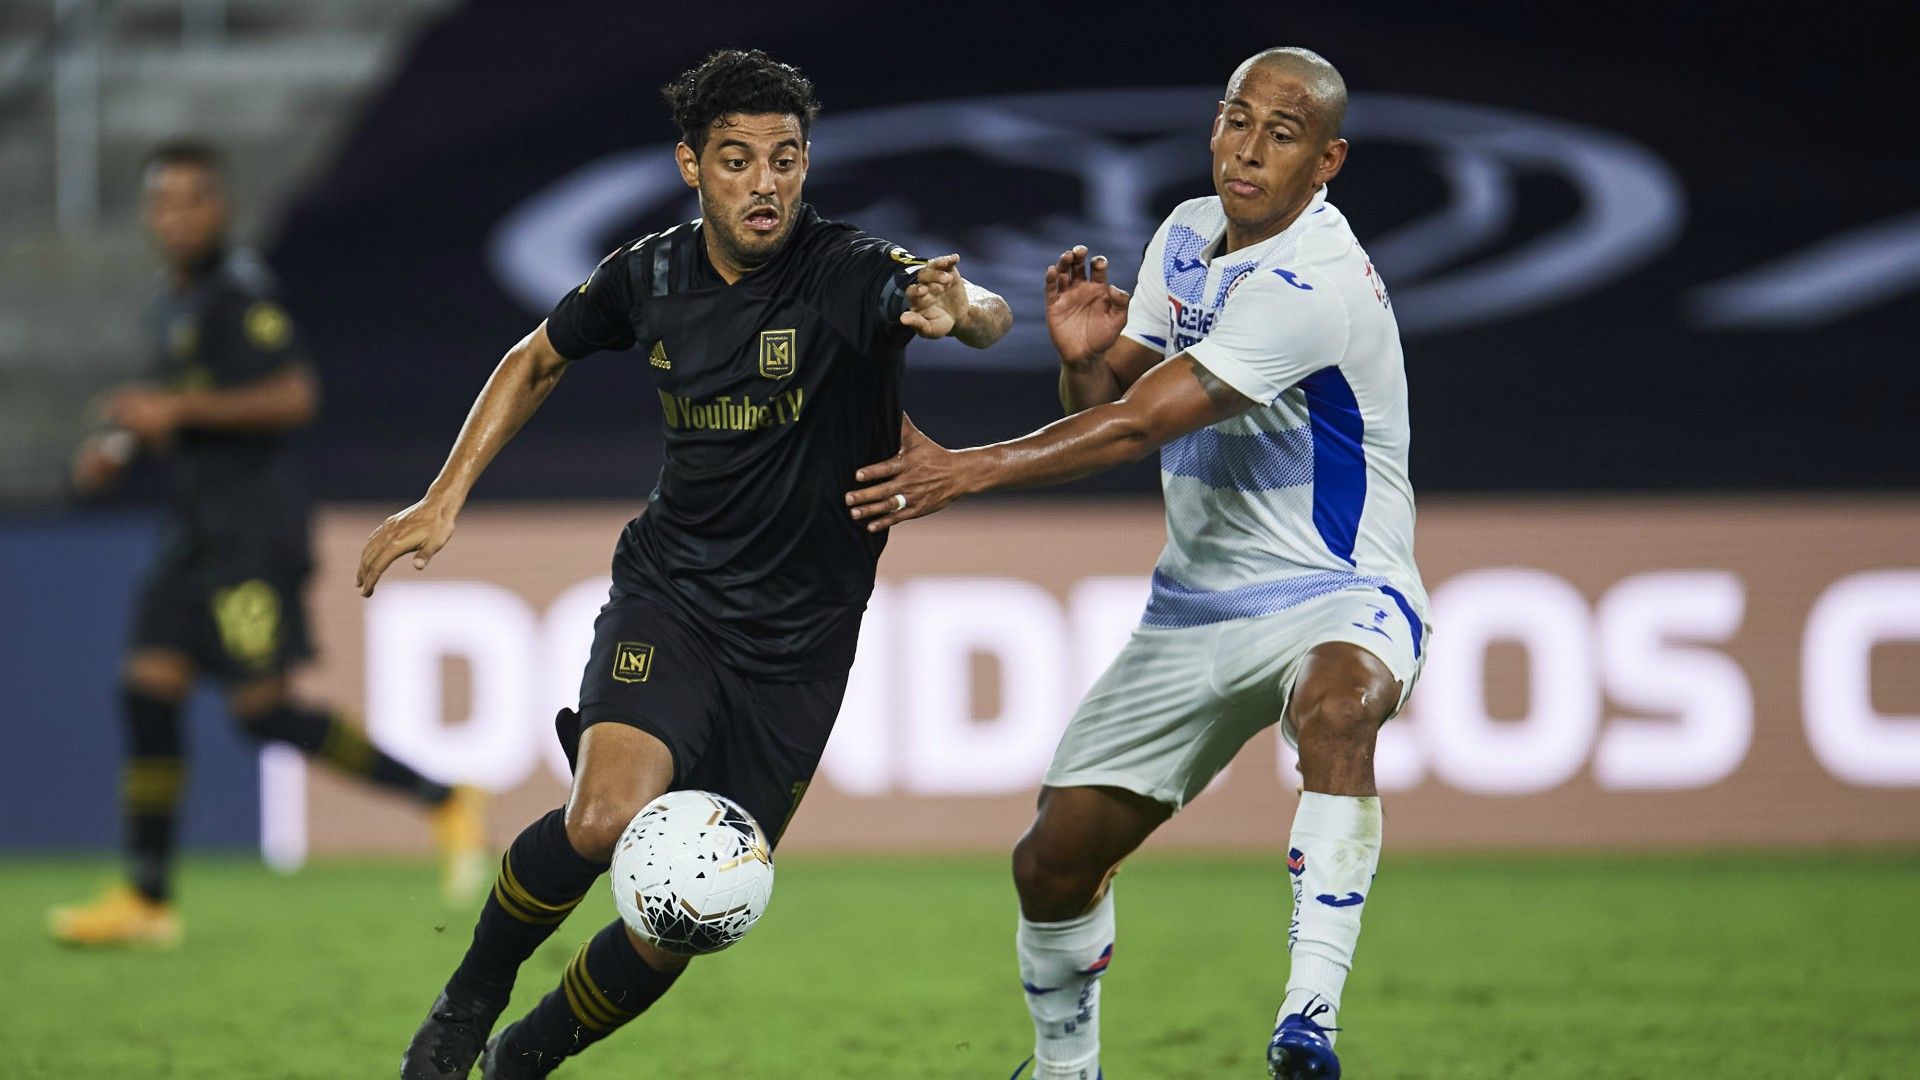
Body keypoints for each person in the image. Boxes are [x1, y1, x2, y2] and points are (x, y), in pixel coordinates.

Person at [355, 49, 1011, 1079]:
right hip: (676, 596)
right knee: (606, 815)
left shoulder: (850, 273)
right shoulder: (646, 275)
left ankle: (524, 1059)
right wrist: (445, 496)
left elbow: (975, 314)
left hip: (803, 640)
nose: (765, 183)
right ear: (691, 167)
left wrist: (959, 311)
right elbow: (537, 356)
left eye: (785, 159)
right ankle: (466, 1002)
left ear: (806, 165)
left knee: (687, 914)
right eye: (738, 159)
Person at [844, 47, 1428, 1080]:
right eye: (1235, 120)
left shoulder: (1312, 283)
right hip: (1195, 608)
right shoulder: (1188, 235)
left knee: (1339, 710)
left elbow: (1135, 431)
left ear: (1326, 160)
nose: (1246, 151)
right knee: (1053, 861)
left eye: (1281, 135)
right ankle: (1068, 1069)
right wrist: (1090, 357)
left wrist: (965, 470)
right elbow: (1124, 405)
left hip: (1338, 590)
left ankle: (1309, 1022)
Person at [48, 139, 487, 949]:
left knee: (266, 712)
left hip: (252, 535)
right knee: (147, 690)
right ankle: (147, 900)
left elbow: (291, 395)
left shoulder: (241, 295)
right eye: (164, 202)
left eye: (192, 200)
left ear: (220, 209)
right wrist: (126, 444)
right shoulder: (172, 302)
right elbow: (185, 404)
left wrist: (174, 415)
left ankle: (441, 795)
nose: (177, 216)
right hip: (194, 534)